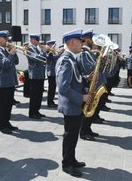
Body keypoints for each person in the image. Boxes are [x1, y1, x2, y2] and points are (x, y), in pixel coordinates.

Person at [56, 28, 91, 177]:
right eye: (79, 41)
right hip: (71, 105)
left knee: (73, 135)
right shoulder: (66, 60)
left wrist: (86, 79)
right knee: (70, 136)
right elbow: (63, 87)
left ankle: (72, 159)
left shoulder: (72, 59)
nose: (82, 44)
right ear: (71, 42)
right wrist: (81, 98)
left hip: (74, 105)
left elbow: (74, 79)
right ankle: (67, 164)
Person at [0, 30, 19, 134]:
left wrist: (13, 53)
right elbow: (5, 64)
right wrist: (11, 54)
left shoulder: (5, 50)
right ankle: (2, 126)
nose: (7, 40)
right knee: (3, 106)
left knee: (9, 105)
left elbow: (16, 62)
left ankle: (7, 122)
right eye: (5, 38)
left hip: (10, 82)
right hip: (2, 83)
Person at [77, 29, 102, 141]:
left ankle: (88, 129)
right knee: (86, 109)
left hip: (92, 84)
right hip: (87, 85)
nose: (94, 41)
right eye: (92, 38)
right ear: (87, 39)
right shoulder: (84, 53)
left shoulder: (90, 52)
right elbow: (89, 68)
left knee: (92, 108)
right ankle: (83, 131)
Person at [26, 34, 47, 119]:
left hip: (40, 74)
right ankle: (32, 112)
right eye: (36, 39)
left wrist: (44, 52)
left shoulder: (37, 48)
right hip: (34, 75)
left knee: (39, 95)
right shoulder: (29, 48)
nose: (38, 41)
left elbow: (44, 59)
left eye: (38, 39)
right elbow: (37, 58)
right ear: (31, 40)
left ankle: (37, 110)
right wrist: (44, 51)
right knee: (34, 95)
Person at [46, 40, 59, 108]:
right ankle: (50, 102)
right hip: (51, 73)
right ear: (49, 45)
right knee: (51, 88)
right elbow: (53, 58)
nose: (54, 46)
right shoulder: (49, 52)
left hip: (54, 73)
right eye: (53, 45)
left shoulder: (53, 52)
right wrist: (60, 54)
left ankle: (51, 101)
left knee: (53, 88)